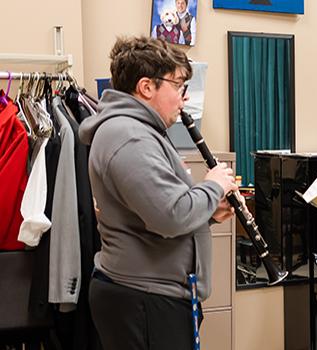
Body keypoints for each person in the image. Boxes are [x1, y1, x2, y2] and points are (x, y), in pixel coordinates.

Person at [79, 36, 238, 350]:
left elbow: (150, 218)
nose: (183, 100)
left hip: (152, 294)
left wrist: (207, 214)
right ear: (146, 87)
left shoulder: (141, 131)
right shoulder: (129, 136)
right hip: (144, 298)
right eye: (178, 86)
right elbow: (170, 215)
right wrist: (214, 184)